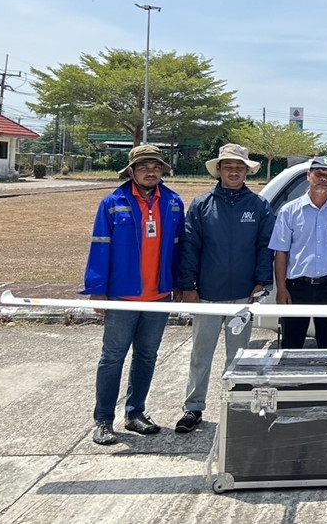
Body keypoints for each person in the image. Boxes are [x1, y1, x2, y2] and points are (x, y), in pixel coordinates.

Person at [82, 144, 185, 445]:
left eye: (155, 166)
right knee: (112, 358)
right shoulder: (113, 202)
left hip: (159, 295)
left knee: (147, 356)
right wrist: (98, 290)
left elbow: (180, 247)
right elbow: (100, 246)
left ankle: (135, 413)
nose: (150, 171)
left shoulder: (174, 202)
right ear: (131, 171)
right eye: (143, 167)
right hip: (122, 297)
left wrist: (179, 283)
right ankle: (103, 420)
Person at [174, 143, 274, 434]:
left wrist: (261, 282)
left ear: (247, 171)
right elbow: (190, 246)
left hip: (243, 295)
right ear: (218, 169)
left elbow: (265, 247)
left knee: (239, 357)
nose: (234, 171)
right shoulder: (202, 205)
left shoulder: (258, 206)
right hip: (207, 294)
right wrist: (187, 285)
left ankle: (237, 406)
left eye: (239, 167)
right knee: (201, 354)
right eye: (228, 166)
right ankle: (193, 408)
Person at [269, 156, 327, 348]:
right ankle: (293, 378)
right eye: (319, 174)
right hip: (296, 287)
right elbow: (281, 253)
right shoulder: (289, 211)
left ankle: (326, 379)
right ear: (309, 176)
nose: (323, 179)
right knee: (291, 343)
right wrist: (282, 288)